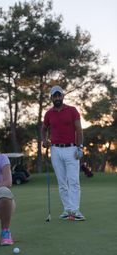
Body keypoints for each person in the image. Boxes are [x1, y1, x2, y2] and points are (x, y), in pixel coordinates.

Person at [41, 85, 85, 221]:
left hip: (72, 149)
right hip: (55, 150)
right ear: (51, 98)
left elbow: (79, 129)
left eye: (59, 95)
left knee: (74, 181)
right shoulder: (49, 114)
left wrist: (80, 147)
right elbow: (43, 129)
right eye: (55, 95)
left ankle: (75, 210)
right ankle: (67, 209)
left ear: (63, 96)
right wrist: (44, 141)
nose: (57, 97)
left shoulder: (72, 111)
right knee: (62, 182)